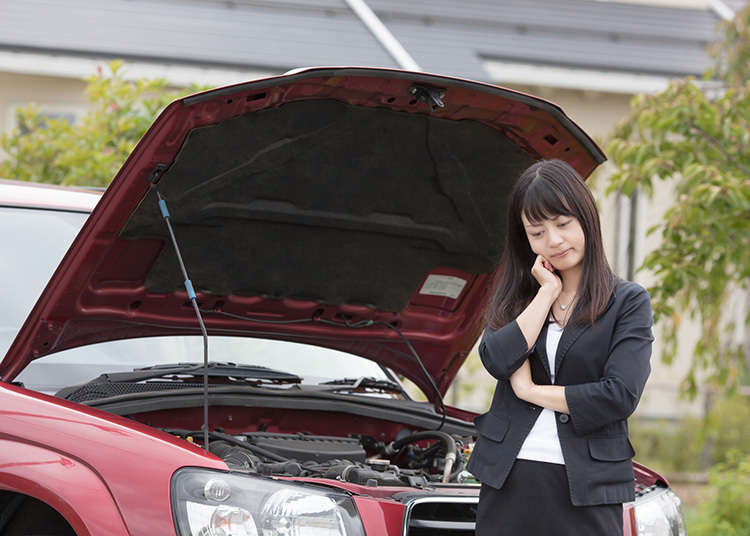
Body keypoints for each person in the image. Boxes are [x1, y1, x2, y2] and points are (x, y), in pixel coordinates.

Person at [466, 159, 654, 535]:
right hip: (509, 478)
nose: (553, 241)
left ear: (586, 218)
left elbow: (618, 395)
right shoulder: (517, 298)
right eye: (537, 232)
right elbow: (498, 360)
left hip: (587, 485)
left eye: (563, 224)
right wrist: (546, 294)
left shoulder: (627, 302)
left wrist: (531, 391)